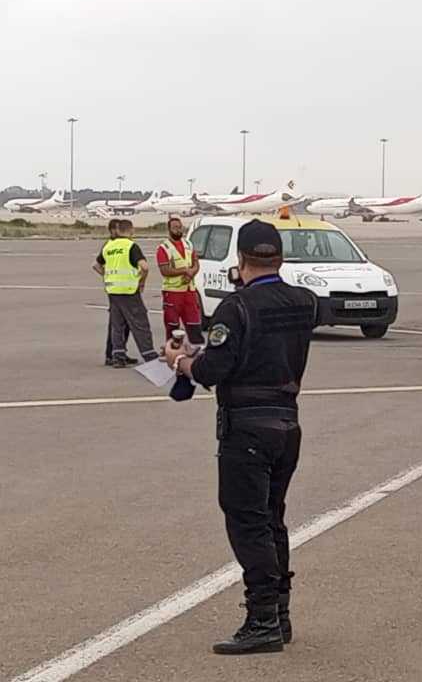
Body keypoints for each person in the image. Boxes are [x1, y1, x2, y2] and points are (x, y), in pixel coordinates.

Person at [164, 219, 319, 655]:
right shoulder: (304, 301)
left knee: (247, 522)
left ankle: (262, 617)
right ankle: (280, 613)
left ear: (240, 259)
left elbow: (213, 371)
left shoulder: (237, 307)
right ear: (281, 257)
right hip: (287, 421)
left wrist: (181, 362)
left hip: (246, 426)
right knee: (272, 518)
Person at [92, 219, 158, 367]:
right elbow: (145, 267)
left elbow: (96, 265)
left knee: (117, 325)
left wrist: (107, 276)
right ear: (131, 230)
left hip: (113, 291)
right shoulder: (131, 246)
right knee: (140, 323)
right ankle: (149, 354)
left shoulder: (109, 246)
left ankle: (118, 357)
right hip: (129, 291)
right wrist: (142, 281)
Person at [157, 217, 204, 344]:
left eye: (180, 227)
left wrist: (190, 274)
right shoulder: (163, 248)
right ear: (169, 230)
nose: (178, 230)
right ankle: (172, 352)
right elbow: (165, 270)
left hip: (189, 291)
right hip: (172, 292)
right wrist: (184, 270)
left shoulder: (189, 244)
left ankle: (198, 351)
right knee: (172, 326)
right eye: (175, 228)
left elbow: (196, 263)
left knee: (194, 323)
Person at [101, 219, 135, 366]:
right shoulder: (109, 246)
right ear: (112, 231)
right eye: (117, 229)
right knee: (116, 325)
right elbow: (97, 265)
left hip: (124, 288)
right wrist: (107, 275)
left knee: (125, 323)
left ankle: (121, 352)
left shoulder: (120, 245)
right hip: (116, 290)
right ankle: (111, 354)